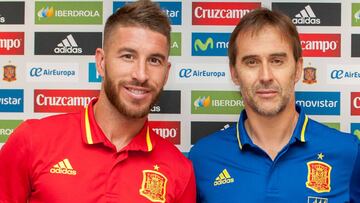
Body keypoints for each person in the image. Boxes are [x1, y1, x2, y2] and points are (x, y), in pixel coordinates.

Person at [0, 1, 196, 202]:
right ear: (101, 62)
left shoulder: (179, 170)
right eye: (128, 56)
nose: (141, 74)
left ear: (166, 73)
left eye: (154, 60)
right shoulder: (33, 140)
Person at [189, 8, 360, 203]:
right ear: (234, 73)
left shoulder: (348, 152)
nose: (265, 76)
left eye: (277, 61)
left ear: (298, 69)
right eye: (251, 62)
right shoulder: (203, 158)